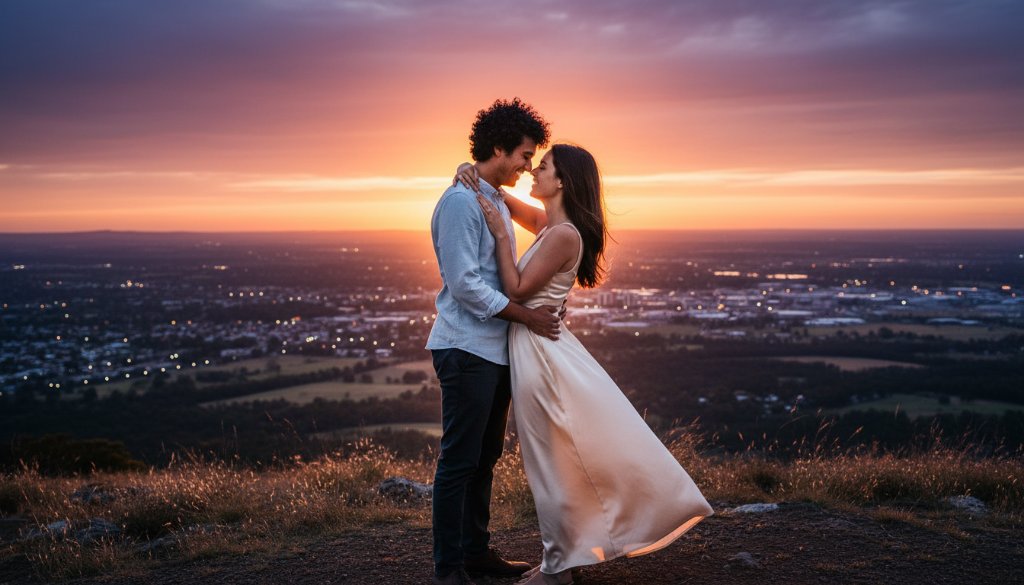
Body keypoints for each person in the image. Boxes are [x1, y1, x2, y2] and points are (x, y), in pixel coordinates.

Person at [458, 144, 714, 585]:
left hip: (540, 355)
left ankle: (558, 569)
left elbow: (516, 290)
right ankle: (564, 557)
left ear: (561, 182)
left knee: (551, 463)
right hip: (536, 349)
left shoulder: (563, 235)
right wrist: (470, 171)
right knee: (556, 461)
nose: (533, 172)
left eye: (543, 167)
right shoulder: (552, 226)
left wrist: (502, 237)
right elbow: (498, 199)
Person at [425, 98, 564, 585]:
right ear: (500, 148)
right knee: (459, 460)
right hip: (465, 348)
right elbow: (465, 285)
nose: (529, 165)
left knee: (484, 458)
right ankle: (448, 570)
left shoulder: (487, 196)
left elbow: (548, 226)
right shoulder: (461, 202)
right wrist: (528, 316)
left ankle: (475, 553)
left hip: (492, 349)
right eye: (526, 155)